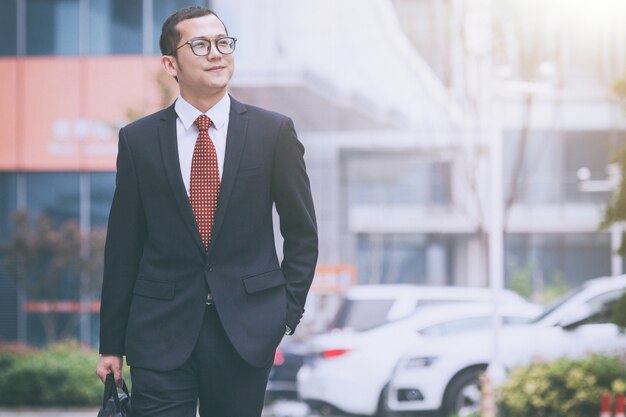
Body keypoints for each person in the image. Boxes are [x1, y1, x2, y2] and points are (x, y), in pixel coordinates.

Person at [95, 6, 318, 417]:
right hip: (159, 329)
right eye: (199, 44)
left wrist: (284, 313)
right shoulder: (139, 140)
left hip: (246, 330)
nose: (216, 53)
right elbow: (123, 247)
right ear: (171, 63)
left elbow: (302, 233)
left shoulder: (274, 132)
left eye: (223, 42)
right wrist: (112, 344)